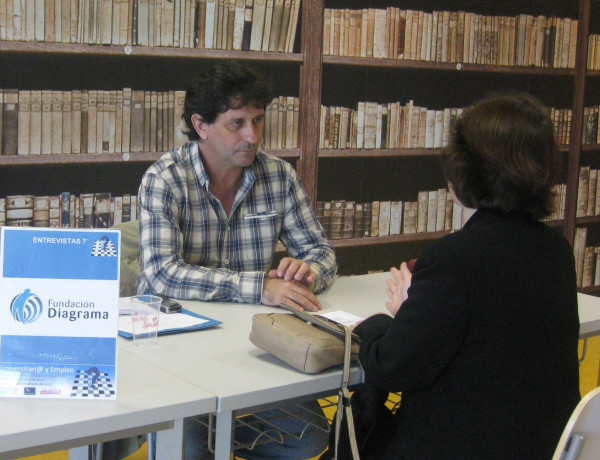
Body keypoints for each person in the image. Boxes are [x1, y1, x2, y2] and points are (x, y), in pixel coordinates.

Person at [350, 92, 580, 459]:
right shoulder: (556, 250)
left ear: (463, 170)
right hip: (539, 446)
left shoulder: (454, 259)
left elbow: (393, 366)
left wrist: (392, 316)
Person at [137, 61, 336, 459]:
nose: (252, 136)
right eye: (237, 123)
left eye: (258, 120)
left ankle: (214, 431)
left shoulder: (278, 176)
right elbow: (161, 274)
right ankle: (196, 433)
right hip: (174, 349)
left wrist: (308, 270)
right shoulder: (165, 178)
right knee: (188, 453)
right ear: (201, 125)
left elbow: (321, 252)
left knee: (309, 440)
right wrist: (260, 286)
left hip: (248, 344)